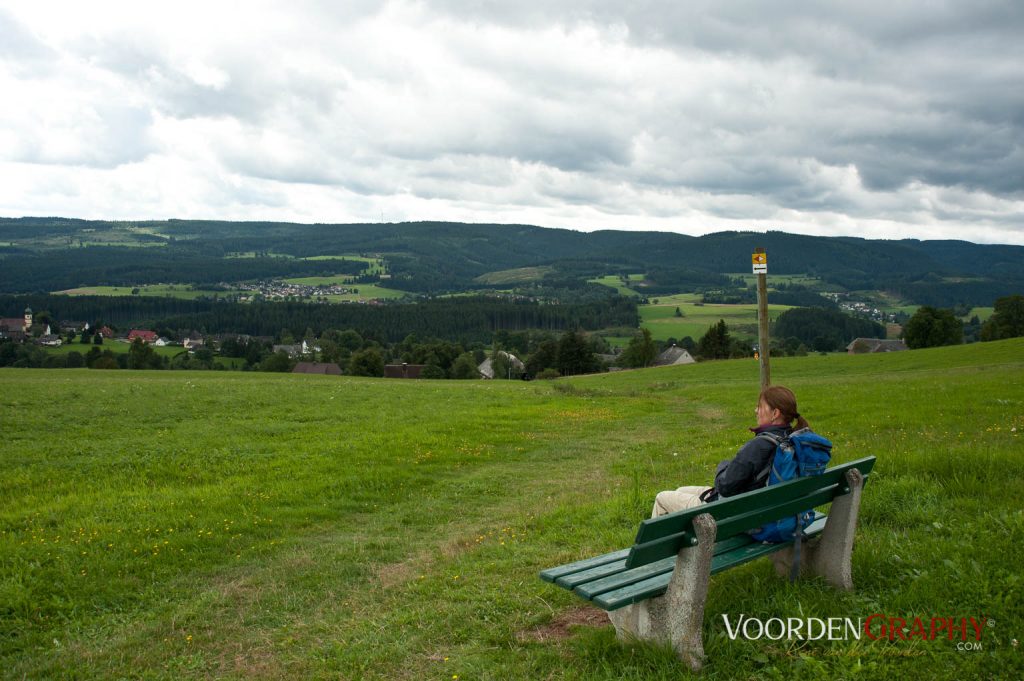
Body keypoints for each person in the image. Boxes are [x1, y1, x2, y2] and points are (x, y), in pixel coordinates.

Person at [651, 385, 810, 517]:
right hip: (758, 509)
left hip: (729, 513)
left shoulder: (760, 445)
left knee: (662, 498)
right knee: (680, 491)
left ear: (775, 413)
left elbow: (725, 486)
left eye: (760, 407)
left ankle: (658, 554)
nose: (756, 410)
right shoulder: (791, 439)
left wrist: (722, 466)